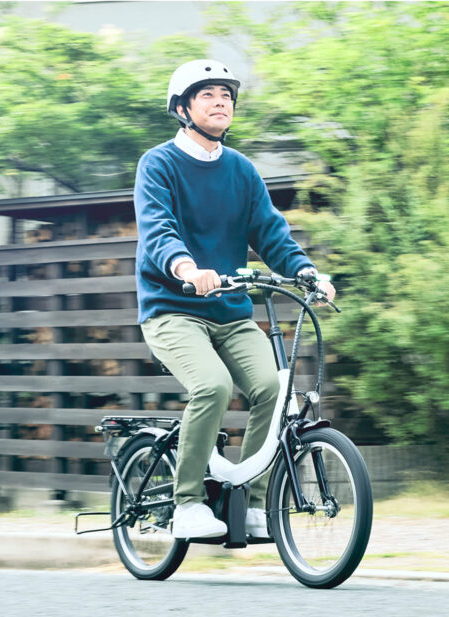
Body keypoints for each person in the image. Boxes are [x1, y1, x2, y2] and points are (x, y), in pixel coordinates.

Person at [133, 59, 336, 539]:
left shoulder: (241, 171)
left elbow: (271, 234)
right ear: (182, 108)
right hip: (172, 309)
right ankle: (187, 503)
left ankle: (250, 504)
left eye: (226, 94)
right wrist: (187, 269)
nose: (220, 101)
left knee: (274, 388)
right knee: (213, 387)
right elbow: (158, 231)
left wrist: (307, 272)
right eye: (207, 94)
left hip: (230, 311)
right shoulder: (158, 164)